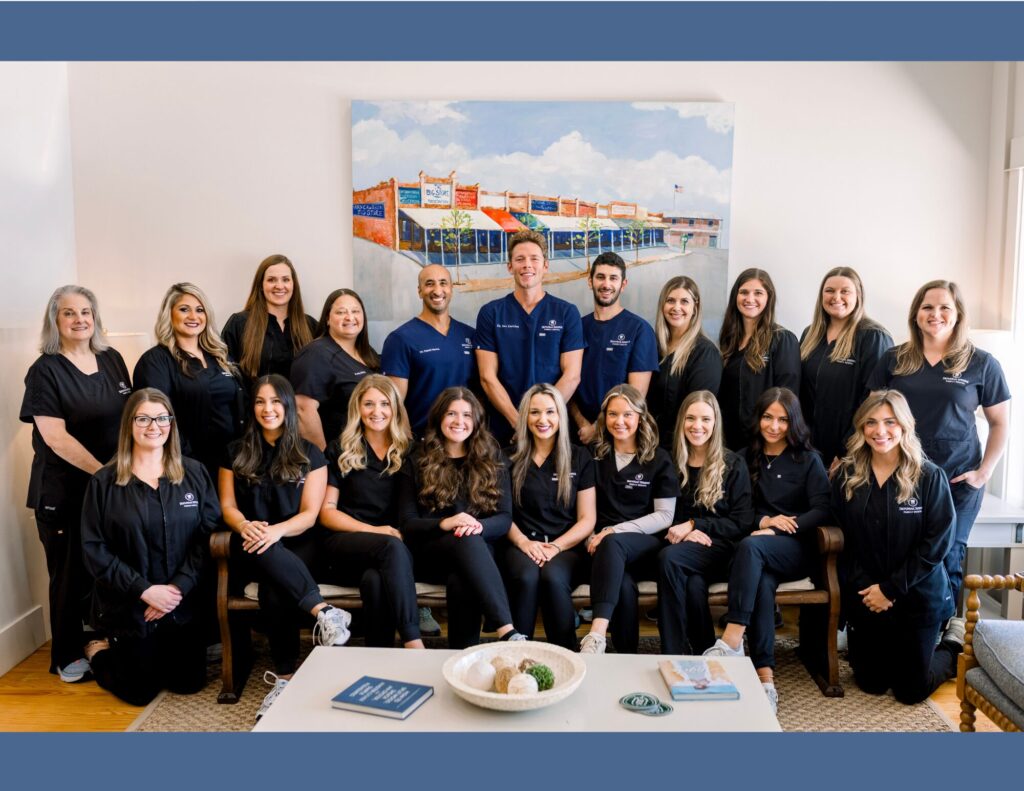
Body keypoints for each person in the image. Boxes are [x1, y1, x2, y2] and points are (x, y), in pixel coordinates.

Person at [866, 280, 1010, 612]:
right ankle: (904, 621)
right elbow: (872, 418)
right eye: (927, 307)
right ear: (916, 314)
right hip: (904, 477)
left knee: (948, 552)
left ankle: (947, 627)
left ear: (958, 314)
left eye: (945, 307)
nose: (936, 314)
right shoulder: (894, 359)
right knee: (905, 552)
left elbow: (1001, 424)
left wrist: (983, 473)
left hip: (958, 480)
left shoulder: (982, 363)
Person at [218, 375, 352, 718]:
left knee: (274, 588)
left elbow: (309, 515)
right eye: (260, 401)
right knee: (263, 552)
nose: (268, 409)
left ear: (288, 406)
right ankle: (324, 612)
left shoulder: (310, 454)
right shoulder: (234, 452)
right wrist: (245, 525)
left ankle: (285, 678)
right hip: (248, 540)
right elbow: (228, 506)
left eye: (276, 401)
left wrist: (275, 532)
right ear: (252, 407)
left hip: (298, 543)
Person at [79, 389, 219, 706]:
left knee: (188, 683)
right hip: (132, 606)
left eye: (161, 418)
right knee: (139, 692)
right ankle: (98, 650)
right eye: (143, 419)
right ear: (129, 424)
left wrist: (177, 587)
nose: (154, 426)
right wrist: (144, 590)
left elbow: (207, 536)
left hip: (181, 603)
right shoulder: (103, 482)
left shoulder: (194, 473)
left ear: (171, 423)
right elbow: (93, 549)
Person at [20, 285, 132, 682]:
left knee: (106, 568)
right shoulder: (45, 370)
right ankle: (65, 656)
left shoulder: (111, 359)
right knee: (69, 575)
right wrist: (105, 473)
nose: (79, 319)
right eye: (69, 313)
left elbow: (128, 418)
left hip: (110, 488)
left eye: (86, 311)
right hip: (64, 492)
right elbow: (56, 438)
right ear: (55, 320)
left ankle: (103, 640)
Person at [701, 388, 830, 715]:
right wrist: (764, 521)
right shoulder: (743, 458)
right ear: (758, 418)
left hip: (795, 549)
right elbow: (737, 511)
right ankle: (766, 680)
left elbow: (822, 509)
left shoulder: (808, 460)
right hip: (754, 555)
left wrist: (781, 527)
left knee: (752, 547)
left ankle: (732, 638)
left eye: (783, 419)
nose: (774, 426)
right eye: (768, 417)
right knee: (761, 582)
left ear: (793, 422)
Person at [831, 389, 962, 704]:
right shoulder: (847, 475)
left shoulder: (929, 476)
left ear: (904, 426)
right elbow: (843, 539)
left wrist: (890, 589)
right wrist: (867, 589)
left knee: (910, 690)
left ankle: (953, 646)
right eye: (871, 422)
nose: (880, 431)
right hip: (869, 594)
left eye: (890, 422)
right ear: (861, 427)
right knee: (872, 683)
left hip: (917, 595)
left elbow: (937, 544)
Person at [397, 387, 526, 648]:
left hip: (477, 556)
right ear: (438, 418)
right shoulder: (417, 459)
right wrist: (446, 523)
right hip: (430, 555)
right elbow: (407, 523)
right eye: (451, 414)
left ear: (476, 420)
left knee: (463, 576)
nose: (459, 421)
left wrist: (477, 525)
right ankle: (507, 631)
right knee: (465, 539)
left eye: (467, 415)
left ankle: (461, 656)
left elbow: (504, 518)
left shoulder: (492, 458)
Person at [319, 375, 425, 650]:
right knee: (390, 545)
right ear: (358, 408)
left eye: (384, 404)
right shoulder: (340, 449)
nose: (377, 411)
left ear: (395, 409)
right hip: (347, 543)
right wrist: (376, 531)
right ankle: (413, 642)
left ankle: (379, 656)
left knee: (374, 581)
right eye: (368, 404)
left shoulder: (410, 451)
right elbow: (327, 513)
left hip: (396, 553)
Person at [578, 385, 678, 654]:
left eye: (628, 415)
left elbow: (665, 516)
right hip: (599, 548)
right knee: (622, 585)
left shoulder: (659, 458)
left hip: (645, 545)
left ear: (641, 418)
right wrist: (591, 535)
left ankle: (596, 635)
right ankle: (625, 656)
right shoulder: (593, 455)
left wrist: (613, 530)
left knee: (613, 542)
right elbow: (585, 509)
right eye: (613, 414)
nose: (619, 421)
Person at [656, 390, 754, 657]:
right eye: (690, 418)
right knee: (694, 586)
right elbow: (661, 513)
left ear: (715, 423)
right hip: (684, 546)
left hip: (721, 550)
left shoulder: (733, 464)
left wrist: (694, 525)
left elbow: (741, 522)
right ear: (681, 421)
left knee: (669, 559)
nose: (697, 426)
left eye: (705, 419)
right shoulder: (669, 462)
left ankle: (673, 652)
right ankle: (705, 652)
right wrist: (686, 532)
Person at [503, 384, 597, 649]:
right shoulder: (507, 458)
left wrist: (556, 547)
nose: (542, 419)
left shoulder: (580, 457)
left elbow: (587, 518)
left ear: (560, 416)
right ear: (525, 416)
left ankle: (566, 654)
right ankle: (517, 653)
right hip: (520, 544)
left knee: (553, 577)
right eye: (534, 412)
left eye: (550, 412)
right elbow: (501, 513)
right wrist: (524, 543)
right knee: (526, 577)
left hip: (567, 547)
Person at [475, 229, 585, 442]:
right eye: (520, 259)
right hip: (506, 429)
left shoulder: (566, 313)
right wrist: (518, 423)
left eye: (534, 258)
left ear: (545, 266)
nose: (527, 265)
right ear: (510, 266)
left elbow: (572, 376)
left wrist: (543, 419)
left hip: (552, 429)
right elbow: (487, 377)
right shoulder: (491, 313)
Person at [133, 282, 245, 479]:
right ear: (169, 314)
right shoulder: (156, 361)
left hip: (232, 463)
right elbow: (157, 419)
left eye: (200, 310)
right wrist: (187, 463)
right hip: (187, 466)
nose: (194, 316)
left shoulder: (221, 355)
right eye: (184, 309)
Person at [799, 267, 892, 472]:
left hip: (851, 451)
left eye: (845, 291)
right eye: (830, 290)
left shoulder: (873, 337)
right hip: (808, 447)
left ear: (858, 296)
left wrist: (846, 451)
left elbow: (873, 402)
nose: (836, 297)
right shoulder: (810, 335)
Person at [570, 252, 659, 446]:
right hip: (579, 434)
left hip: (620, 435)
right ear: (590, 281)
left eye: (613, 278)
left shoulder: (640, 330)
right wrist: (582, 424)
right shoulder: (577, 327)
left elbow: (636, 395)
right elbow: (567, 380)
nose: (606, 284)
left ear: (623, 284)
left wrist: (597, 428)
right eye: (600, 277)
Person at [381, 264, 476, 438]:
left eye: (443, 283)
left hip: (465, 439)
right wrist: (409, 446)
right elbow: (395, 403)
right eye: (429, 284)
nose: (437, 290)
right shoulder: (400, 339)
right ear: (419, 291)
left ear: (451, 289)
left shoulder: (469, 335)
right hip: (424, 441)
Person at [718, 268, 800, 451]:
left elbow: (787, 398)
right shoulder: (728, 340)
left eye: (758, 293)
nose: (750, 299)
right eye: (744, 292)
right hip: (729, 443)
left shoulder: (782, 339)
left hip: (763, 443)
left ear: (768, 298)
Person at [292, 288, 379, 450]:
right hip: (339, 454)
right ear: (327, 319)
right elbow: (303, 410)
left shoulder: (367, 352)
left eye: (355, 311)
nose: (350, 317)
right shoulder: (315, 354)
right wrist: (323, 459)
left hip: (366, 453)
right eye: (341, 312)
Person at [647, 276, 723, 450]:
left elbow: (698, 411)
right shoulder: (653, 346)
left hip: (682, 448)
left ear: (695, 308)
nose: (676, 307)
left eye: (684, 301)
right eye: (670, 301)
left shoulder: (705, 354)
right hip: (650, 444)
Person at [221, 254, 317, 383]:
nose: (279, 286)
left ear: (293, 285)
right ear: (261, 285)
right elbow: (225, 374)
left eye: (285, 279)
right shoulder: (239, 323)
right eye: (271, 280)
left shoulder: (311, 326)